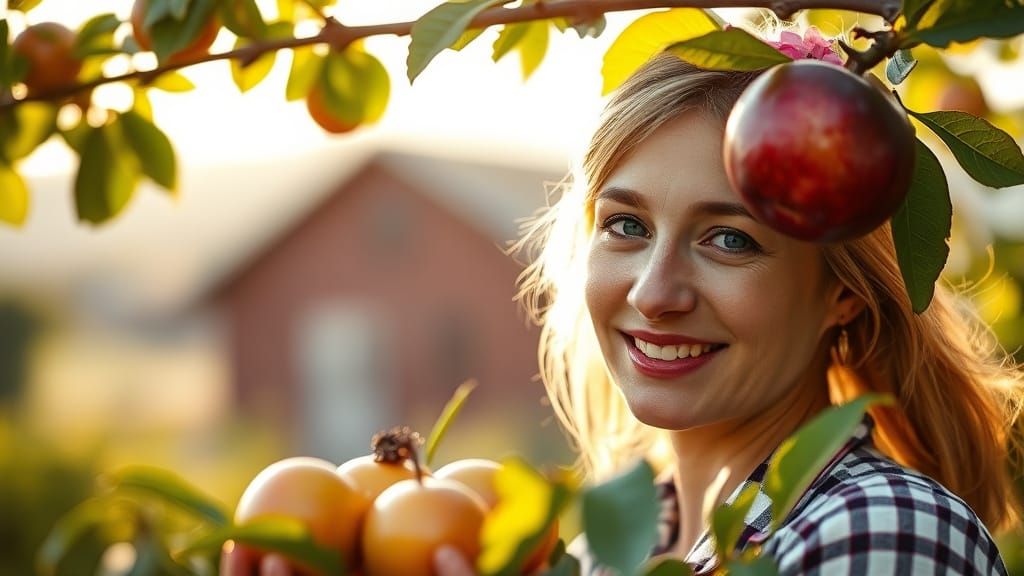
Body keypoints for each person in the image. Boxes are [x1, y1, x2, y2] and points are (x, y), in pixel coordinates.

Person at [223, 25, 1023, 576]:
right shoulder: (617, 540)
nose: (655, 291)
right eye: (626, 225)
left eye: (730, 239)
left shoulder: (881, 532)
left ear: (842, 295)